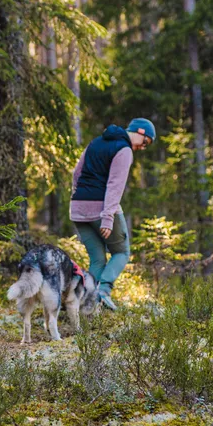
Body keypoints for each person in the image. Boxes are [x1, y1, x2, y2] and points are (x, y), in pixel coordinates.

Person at [70, 117, 156, 312]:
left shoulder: (95, 143)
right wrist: (108, 217)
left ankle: (86, 304)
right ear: (139, 132)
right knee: (121, 252)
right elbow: (115, 186)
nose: (142, 148)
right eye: (145, 143)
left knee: (98, 259)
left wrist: (79, 197)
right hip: (101, 209)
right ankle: (103, 292)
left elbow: (76, 173)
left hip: (77, 209)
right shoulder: (124, 150)